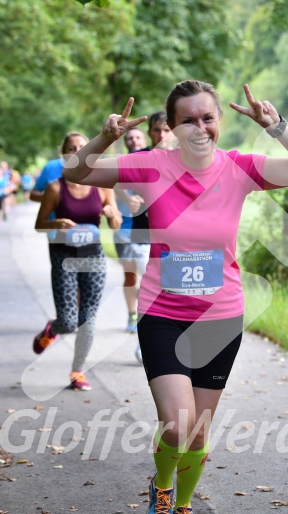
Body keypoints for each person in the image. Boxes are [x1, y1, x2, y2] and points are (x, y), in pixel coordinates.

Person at [63, 80, 288, 514]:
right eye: (188, 119)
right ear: (172, 126)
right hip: (163, 312)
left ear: (219, 122)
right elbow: (78, 173)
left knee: (199, 433)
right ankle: (161, 488)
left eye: (207, 117)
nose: (200, 127)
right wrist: (105, 136)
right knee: (178, 422)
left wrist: (277, 127)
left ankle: (183, 506)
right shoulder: (149, 166)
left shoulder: (241, 168)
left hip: (221, 316)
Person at [33, 132, 121, 391]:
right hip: (63, 256)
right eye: (72, 149)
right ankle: (53, 328)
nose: (77, 152)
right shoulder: (55, 188)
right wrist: (55, 223)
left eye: (82, 147)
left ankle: (77, 371)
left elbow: (115, 225)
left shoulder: (103, 186)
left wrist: (110, 213)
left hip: (93, 255)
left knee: (88, 318)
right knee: (69, 321)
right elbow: (39, 225)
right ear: (65, 156)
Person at [116, 112, 173, 359]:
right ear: (149, 132)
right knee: (151, 289)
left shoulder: (188, 159)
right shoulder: (140, 159)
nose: (161, 135)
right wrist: (128, 199)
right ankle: (147, 341)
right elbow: (116, 184)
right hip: (143, 237)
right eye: (157, 130)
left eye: (167, 130)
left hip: (176, 240)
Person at [114, 127, 148, 333]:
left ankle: (149, 314)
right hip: (124, 230)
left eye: (137, 137)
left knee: (151, 277)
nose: (133, 140)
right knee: (130, 276)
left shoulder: (153, 164)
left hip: (148, 231)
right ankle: (132, 314)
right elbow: (112, 190)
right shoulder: (120, 166)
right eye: (129, 138)